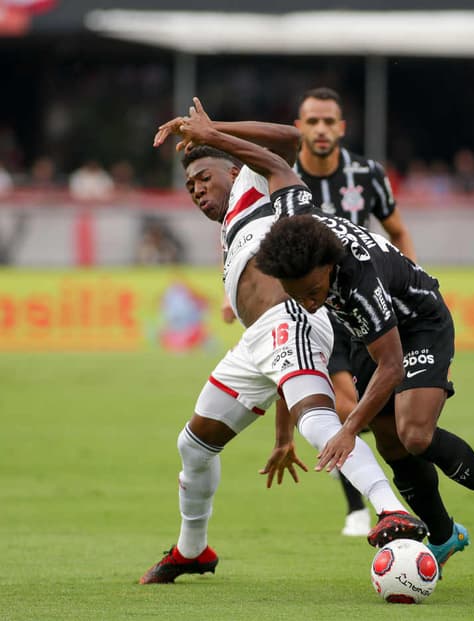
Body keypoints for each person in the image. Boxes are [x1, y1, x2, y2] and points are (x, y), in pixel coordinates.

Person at [175, 100, 474, 574]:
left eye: (310, 293)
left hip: (416, 321)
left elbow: (391, 365)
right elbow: (290, 333)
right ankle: (444, 535)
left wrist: (346, 431)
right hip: (362, 326)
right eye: (295, 295)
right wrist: (286, 431)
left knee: (414, 433)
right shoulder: (291, 212)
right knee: (389, 443)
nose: (305, 305)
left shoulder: (356, 281)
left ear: (324, 272)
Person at [139, 101, 427, 584]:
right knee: (193, 445)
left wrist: (215, 129)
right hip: (258, 341)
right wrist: (280, 436)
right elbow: (276, 359)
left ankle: (390, 511)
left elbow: (284, 140)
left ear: (233, 168)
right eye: (190, 187)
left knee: (319, 420)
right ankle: (193, 550)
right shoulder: (230, 233)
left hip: (289, 318)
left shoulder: (254, 182)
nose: (197, 190)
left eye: (204, 178)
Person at [293, 86, 419, 537]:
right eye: (313, 121)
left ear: (342, 128)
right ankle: (360, 506)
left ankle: (381, 503)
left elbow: (398, 231)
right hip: (311, 312)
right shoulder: (282, 177)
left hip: (362, 303)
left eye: (329, 122)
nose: (322, 129)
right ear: (298, 128)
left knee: (382, 419)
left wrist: (409, 284)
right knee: (345, 405)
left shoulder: (367, 174)